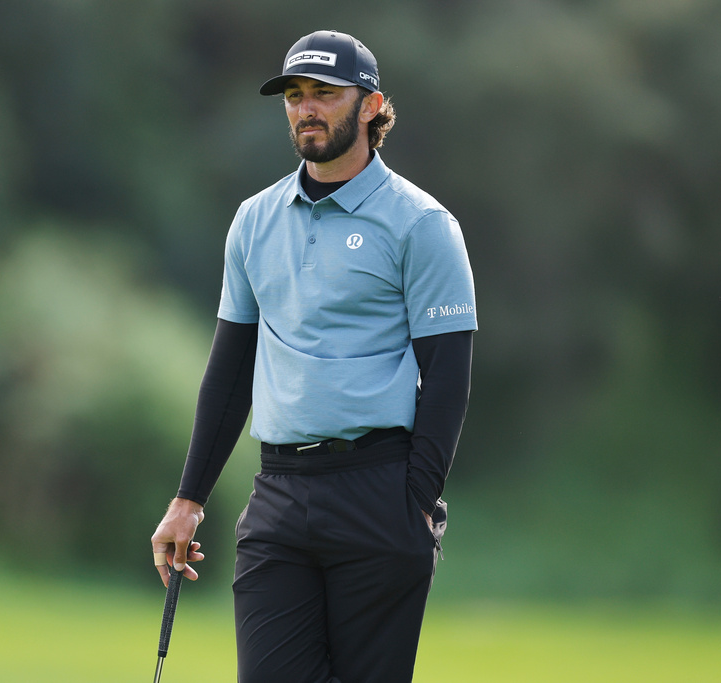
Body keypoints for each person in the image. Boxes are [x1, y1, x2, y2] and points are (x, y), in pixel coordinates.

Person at [150, 29, 476, 683]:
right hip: (280, 494)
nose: (307, 107)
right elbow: (231, 368)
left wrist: (415, 501)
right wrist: (188, 498)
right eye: (295, 95)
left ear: (370, 105)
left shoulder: (420, 224)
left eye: (325, 93)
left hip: (380, 490)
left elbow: (447, 375)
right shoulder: (254, 220)